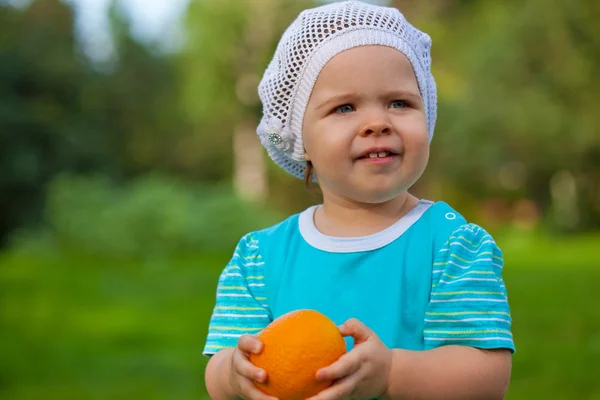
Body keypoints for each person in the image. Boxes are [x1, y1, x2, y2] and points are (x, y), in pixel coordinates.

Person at [203, 1, 515, 399]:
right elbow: (219, 367)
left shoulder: (453, 246)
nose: (377, 122)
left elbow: (487, 377)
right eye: (345, 107)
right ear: (301, 141)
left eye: (399, 103)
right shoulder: (259, 258)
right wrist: (234, 374)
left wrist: (392, 374)